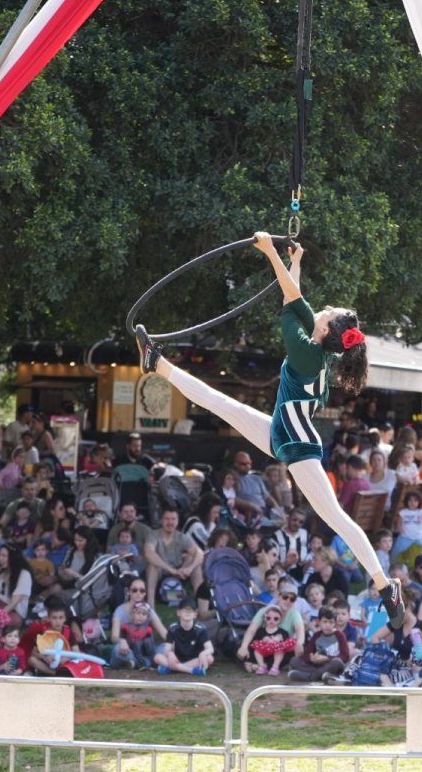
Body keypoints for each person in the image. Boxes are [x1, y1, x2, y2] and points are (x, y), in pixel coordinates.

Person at [135, 231, 404, 629]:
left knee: (337, 520)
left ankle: (385, 585)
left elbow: (289, 303)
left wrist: (271, 253)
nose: (325, 308)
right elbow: (296, 300)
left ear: (325, 329)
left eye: (329, 313)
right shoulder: (316, 349)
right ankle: (157, 364)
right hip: (282, 432)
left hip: (298, 447)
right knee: (221, 404)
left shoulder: (309, 354)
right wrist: (293, 261)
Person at [143, 509, 204, 606]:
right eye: (167, 519)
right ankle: (151, 605)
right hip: (160, 575)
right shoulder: (153, 535)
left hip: (179, 574)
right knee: (152, 566)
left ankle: (202, 603)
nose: (170, 522)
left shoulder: (181, 537)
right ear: (161, 521)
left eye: (173, 519)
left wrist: (189, 568)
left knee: (195, 565)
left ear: (177, 521)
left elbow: (200, 552)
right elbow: (149, 553)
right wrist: (171, 570)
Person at [288, 605, 351, 683]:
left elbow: (345, 656)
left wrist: (327, 658)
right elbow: (307, 653)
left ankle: (311, 677)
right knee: (294, 660)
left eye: (331, 622)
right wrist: (311, 657)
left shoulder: (340, 635)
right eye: (325, 622)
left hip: (333, 665)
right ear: (319, 621)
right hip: (318, 666)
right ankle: (323, 676)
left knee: (337, 662)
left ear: (335, 623)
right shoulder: (317, 635)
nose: (328, 625)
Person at [154, 598, 215, 675]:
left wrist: (202, 654)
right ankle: (191, 670)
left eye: (190, 611)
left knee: (209, 658)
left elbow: (210, 648)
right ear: (178, 613)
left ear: (195, 614)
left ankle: (173, 669)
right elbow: (167, 649)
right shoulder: (173, 628)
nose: (188, 613)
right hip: (178, 659)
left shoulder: (200, 629)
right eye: (185, 610)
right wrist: (170, 654)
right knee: (157, 657)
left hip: (195, 659)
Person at [248, 603, 296, 676]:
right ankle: (261, 666)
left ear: (280, 620)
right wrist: (264, 640)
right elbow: (255, 642)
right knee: (256, 650)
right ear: (264, 618)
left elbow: (286, 643)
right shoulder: (260, 631)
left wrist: (278, 639)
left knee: (280, 649)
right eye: (268, 618)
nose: (272, 620)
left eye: (275, 618)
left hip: (276, 652)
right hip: (264, 651)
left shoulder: (283, 632)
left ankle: (275, 667)